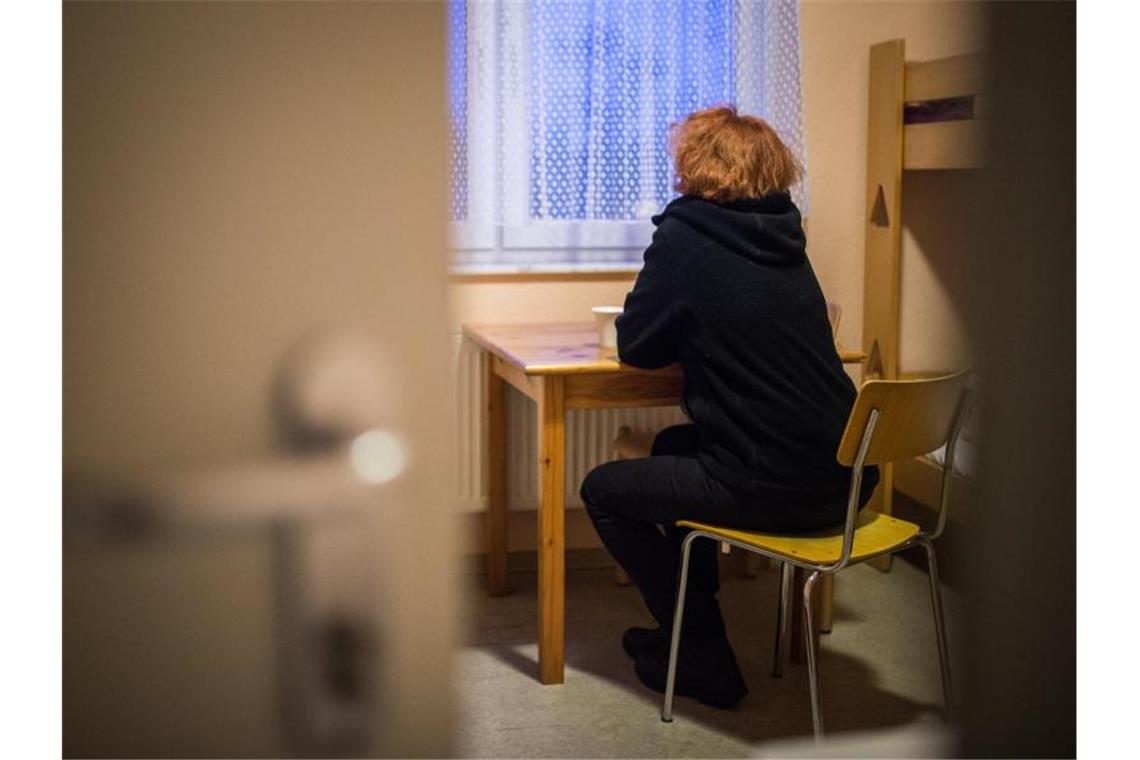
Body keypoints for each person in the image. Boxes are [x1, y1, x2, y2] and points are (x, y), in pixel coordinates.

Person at [579, 105, 879, 709]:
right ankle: (686, 635)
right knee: (670, 449)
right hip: (847, 477)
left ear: (698, 167)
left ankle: (702, 650)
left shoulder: (688, 235)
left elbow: (637, 344)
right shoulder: (785, 235)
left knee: (602, 491)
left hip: (772, 482)